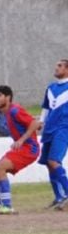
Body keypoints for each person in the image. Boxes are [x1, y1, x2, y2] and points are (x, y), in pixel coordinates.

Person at [0, 86, 39, 215]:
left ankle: (7, 206)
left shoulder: (15, 110)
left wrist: (21, 140)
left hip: (29, 149)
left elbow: (34, 123)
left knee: (0, 169)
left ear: (7, 98)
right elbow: (33, 123)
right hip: (22, 148)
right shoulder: (7, 112)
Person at [38, 58, 68, 209]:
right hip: (49, 129)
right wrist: (41, 121)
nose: (56, 68)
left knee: (54, 161)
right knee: (49, 164)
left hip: (63, 128)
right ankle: (59, 197)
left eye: (60, 66)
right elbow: (46, 107)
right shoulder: (51, 88)